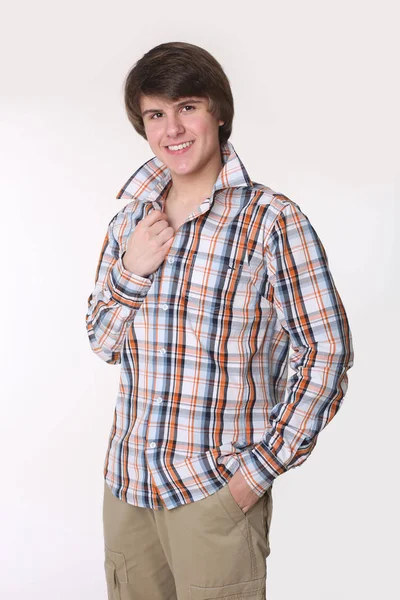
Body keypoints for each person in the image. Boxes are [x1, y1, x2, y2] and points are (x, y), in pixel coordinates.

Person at [85, 41, 355, 600]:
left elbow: (326, 352)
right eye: (156, 114)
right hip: (128, 487)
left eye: (187, 106)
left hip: (213, 492)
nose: (172, 129)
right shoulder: (131, 223)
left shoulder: (272, 221)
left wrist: (254, 474)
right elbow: (102, 341)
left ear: (219, 112)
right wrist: (132, 270)